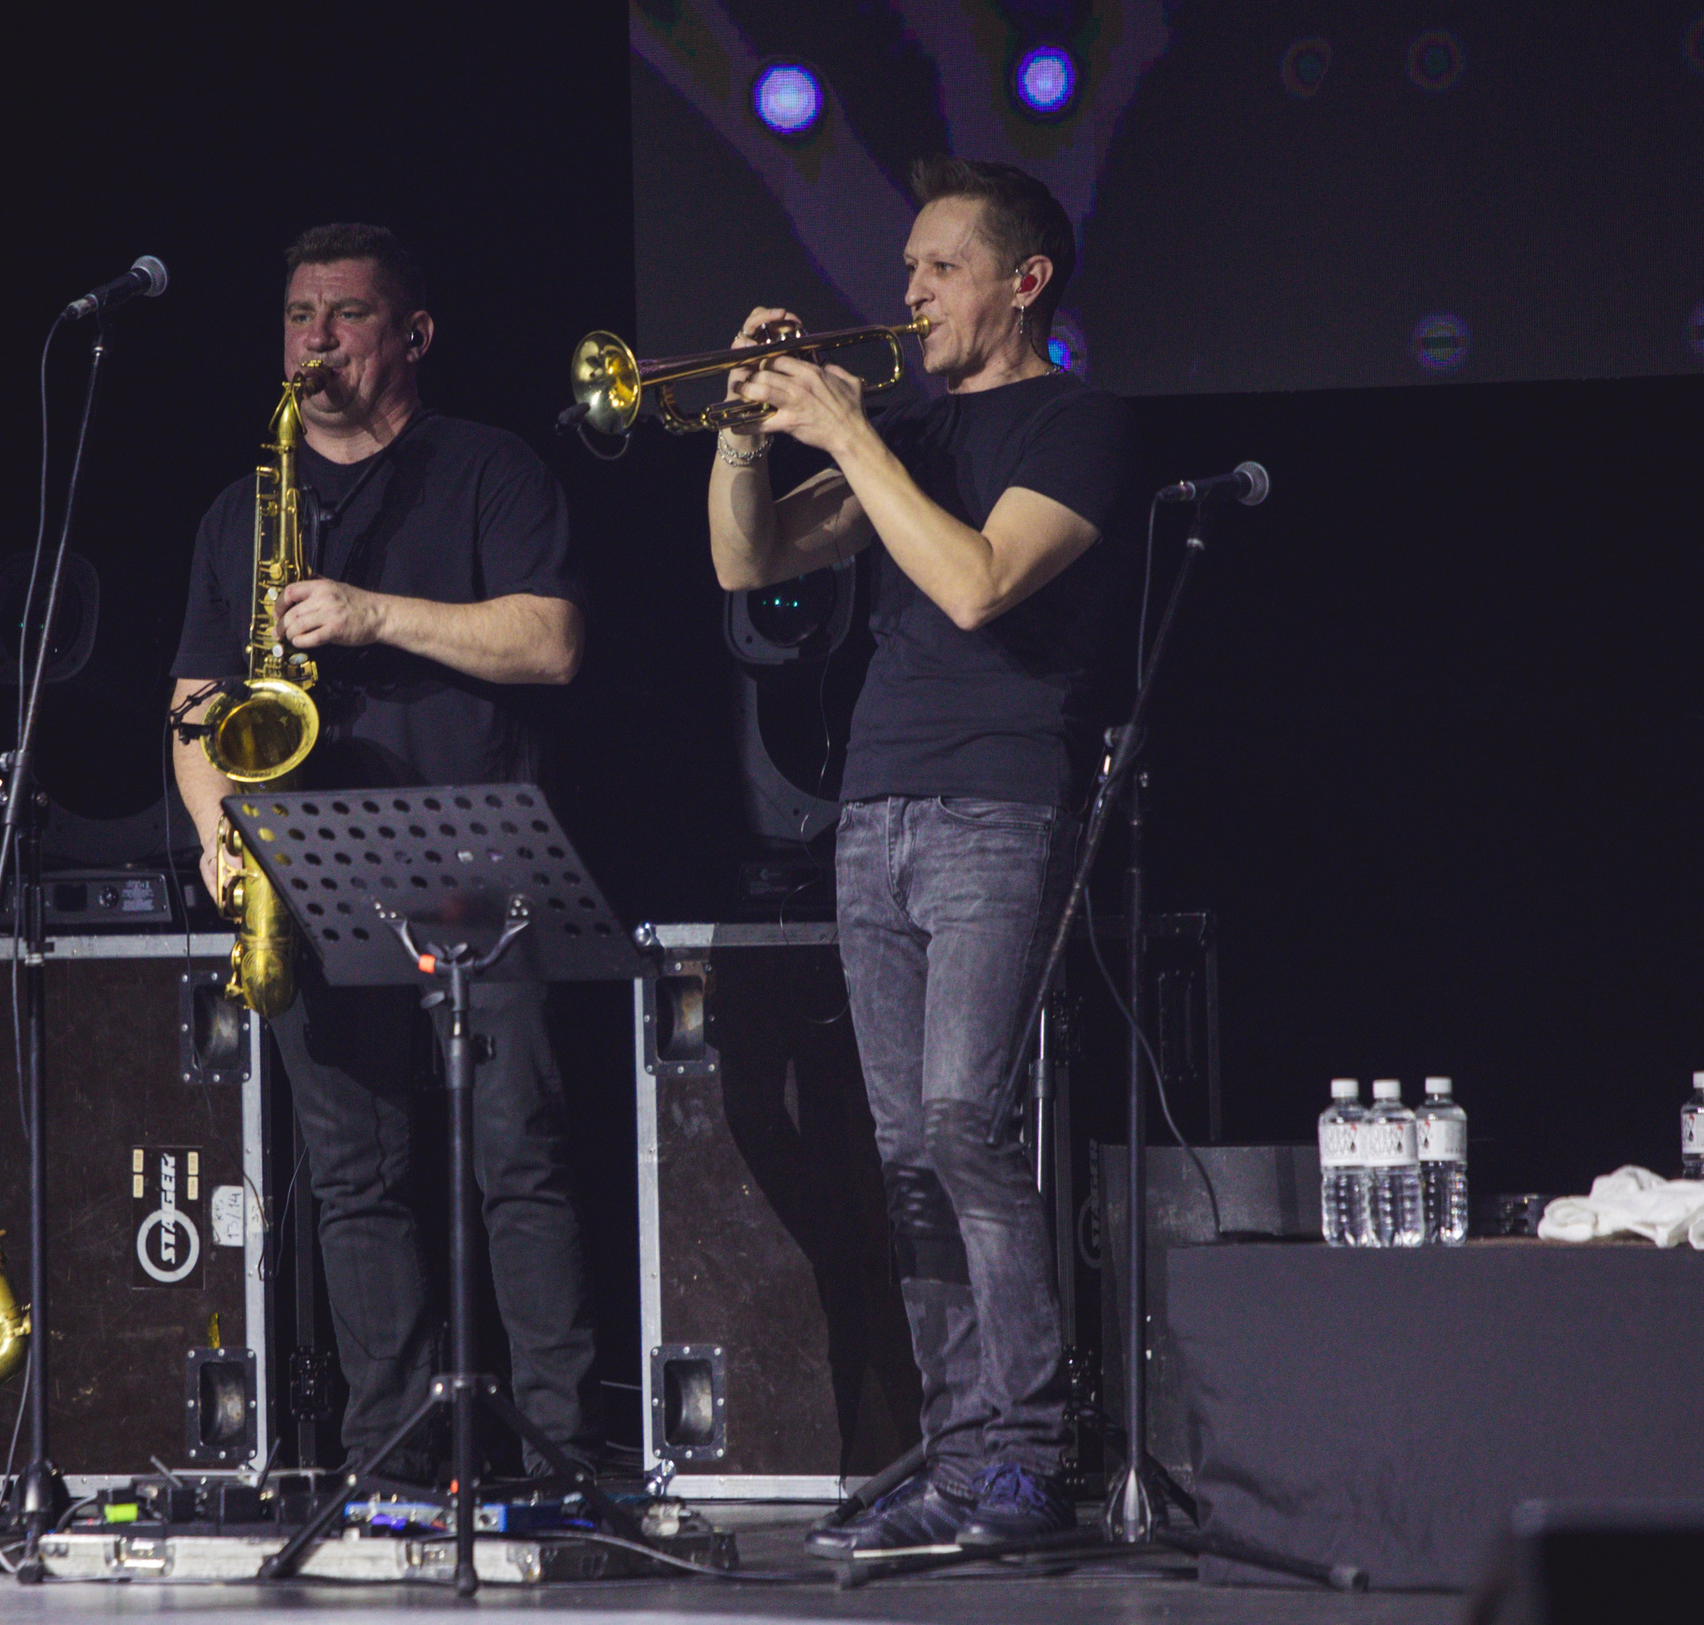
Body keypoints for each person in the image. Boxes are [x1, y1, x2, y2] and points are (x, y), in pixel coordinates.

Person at [704, 157, 1138, 1552]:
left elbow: (976, 579)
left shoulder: (1077, 425)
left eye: (936, 268)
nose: (904, 294)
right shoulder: (906, 440)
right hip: (874, 814)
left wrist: (851, 428)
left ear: (1024, 280)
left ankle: (1028, 1447)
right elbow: (747, 561)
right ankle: (956, 1464)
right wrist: (742, 433)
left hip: (1000, 809)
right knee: (900, 1152)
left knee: (965, 1122)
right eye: (903, 270)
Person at [169, 222, 596, 1483]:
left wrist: (369, 615)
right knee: (355, 1180)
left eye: (345, 317)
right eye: (299, 318)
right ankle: (389, 1462)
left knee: (520, 1161)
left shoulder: (490, 470)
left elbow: (554, 642)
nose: (315, 343)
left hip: (484, 864)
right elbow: (195, 704)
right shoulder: (244, 509)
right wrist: (214, 838)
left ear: (412, 335)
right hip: (307, 869)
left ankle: (562, 1453)